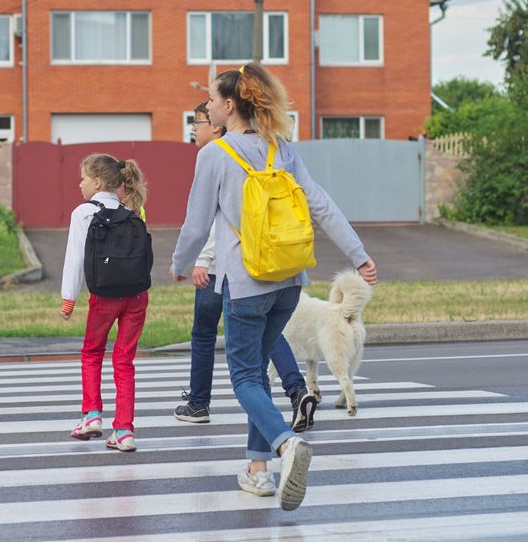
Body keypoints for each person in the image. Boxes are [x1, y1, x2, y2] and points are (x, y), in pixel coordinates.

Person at [170, 64, 378, 511]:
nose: (206, 106)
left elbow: (195, 224)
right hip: (290, 283)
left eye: (210, 99)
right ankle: (257, 470)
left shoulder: (215, 155)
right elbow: (321, 204)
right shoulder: (279, 148)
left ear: (229, 106)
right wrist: (358, 256)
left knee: (244, 377)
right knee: (259, 370)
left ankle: (285, 446)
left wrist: (179, 264)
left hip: (246, 285)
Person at [175, 102, 319, 434]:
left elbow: (211, 223)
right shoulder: (260, 151)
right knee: (264, 342)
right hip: (273, 271)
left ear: (217, 123)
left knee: (212, 342)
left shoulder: (217, 156)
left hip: (223, 270)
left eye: (197, 121)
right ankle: (295, 393)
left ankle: (200, 403)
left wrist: (196, 261)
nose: (194, 129)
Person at [60, 153, 149, 452]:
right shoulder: (132, 211)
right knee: (124, 361)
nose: (80, 183)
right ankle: (124, 431)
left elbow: (75, 259)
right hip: (137, 296)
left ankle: (92, 414)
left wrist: (69, 298)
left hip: (104, 297)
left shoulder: (83, 213)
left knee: (92, 352)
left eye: (84, 178)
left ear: (97, 181)